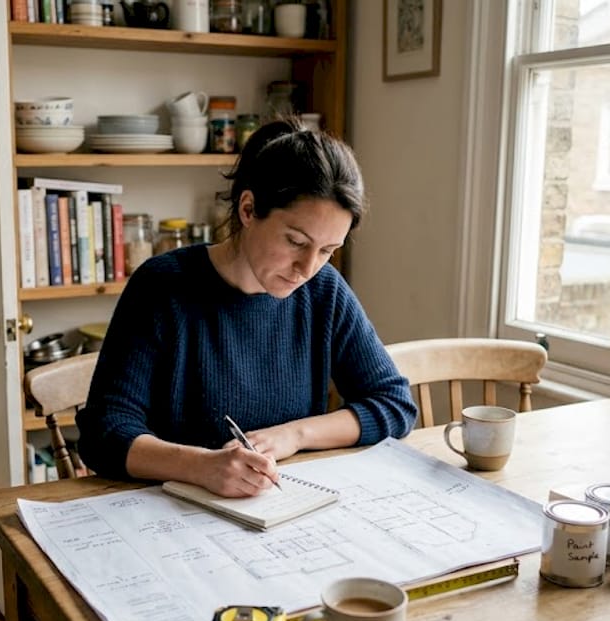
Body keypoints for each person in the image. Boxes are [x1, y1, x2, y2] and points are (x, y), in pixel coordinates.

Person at [76, 118, 417, 497]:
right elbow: (103, 433)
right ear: (249, 209)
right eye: (295, 241)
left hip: (280, 511)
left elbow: (394, 404)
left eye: (327, 251)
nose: (307, 268)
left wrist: (295, 434)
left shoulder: (324, 290)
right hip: (173, 516)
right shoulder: (161, 287)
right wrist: (200, 466)